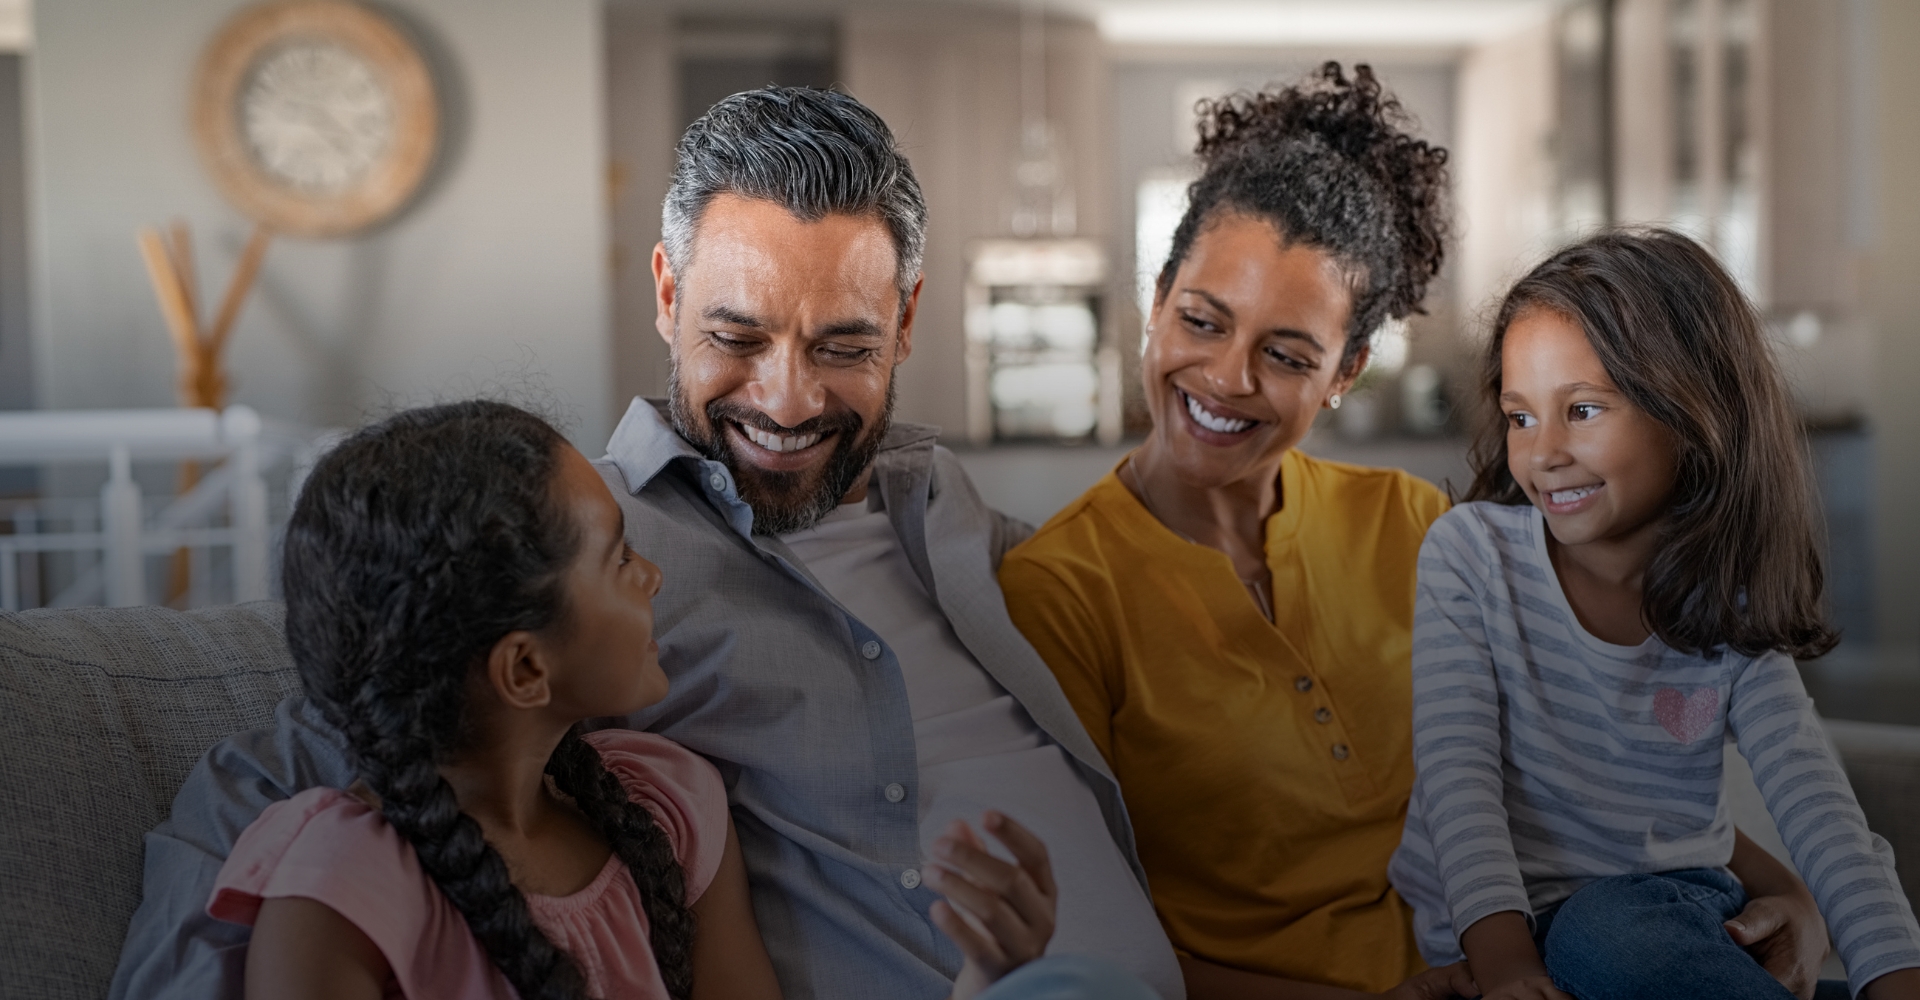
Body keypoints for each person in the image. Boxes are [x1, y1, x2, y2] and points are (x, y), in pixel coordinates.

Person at [109, 87, 1177, 1000]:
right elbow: (272, 776)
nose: (788, 399)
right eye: (738, 336)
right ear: (668, 297)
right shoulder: (572, 563)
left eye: (844, 344)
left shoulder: (947, 510)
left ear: (906, 321)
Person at [998, 64, 1831, 999]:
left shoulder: (1419, 525)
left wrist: (1784, 888)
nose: (1227, 378)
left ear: (1347, 368)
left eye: (1287, 353)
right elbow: (1096, 946)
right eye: (1201, 320)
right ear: (1156, 304)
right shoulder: (1056, 591)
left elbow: (1593, 766)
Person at [1387, 228, 1920, 1000]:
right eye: (1520, 416)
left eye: (1583, 409)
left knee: (1608, 931)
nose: (1542, 453)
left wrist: (1895, 973)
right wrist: (1506, 964)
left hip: (1668, 916)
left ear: (1692, 413)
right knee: (1592, 933)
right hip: (1506, 938)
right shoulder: (1471, 558)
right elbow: (1456, 784)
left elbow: (1822, 813)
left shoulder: (1724, 606)